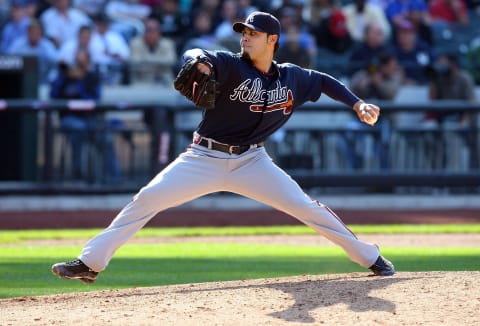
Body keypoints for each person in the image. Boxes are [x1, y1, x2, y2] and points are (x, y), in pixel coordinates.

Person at [51, 11, 395, 284]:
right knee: (147, 199)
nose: (245, 37)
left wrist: (356, 103)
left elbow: (322, 80)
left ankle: (370, 257)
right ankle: (91, 263)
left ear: (272, 39)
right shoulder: (230, 64)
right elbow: (197, 52)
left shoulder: (292, 77)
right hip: (203, 157)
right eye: (243, 32)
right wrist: (199, 61)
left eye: (253, 33)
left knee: (306, 207)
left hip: (253, 162)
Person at [50, 48, 120, 180]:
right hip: (69, 119)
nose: (79, 65)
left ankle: (113, 177)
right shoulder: (66, 77)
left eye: (82, 63)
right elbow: (53, 95)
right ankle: (79, 176)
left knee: (107, 137)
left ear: (88, 62)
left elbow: (95, 99)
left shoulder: (92, 77)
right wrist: (64, 76)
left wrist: (80, 82)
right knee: (79, 131)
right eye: (77, 62)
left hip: (90, 119)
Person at [129, 17, 177, 85]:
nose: (151, 33)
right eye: (148, 30)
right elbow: (135, 62)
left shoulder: (168, 43)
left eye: (154, 30)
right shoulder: (135, 43)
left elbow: (171, 61)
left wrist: (145, 63)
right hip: (141, 81)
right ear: (144, 32)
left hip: (164, 82)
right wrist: (160, 65)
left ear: (159, 32)